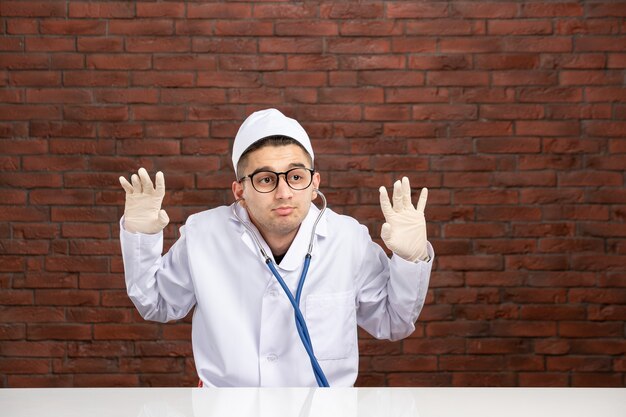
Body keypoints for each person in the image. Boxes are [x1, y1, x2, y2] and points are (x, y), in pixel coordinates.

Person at [119, 108, 434, 387]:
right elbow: (157, 304)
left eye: (296, 176)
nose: (284, 192)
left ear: (314, 185)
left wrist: (409, 259)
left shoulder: (348, 239)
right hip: (225, 409)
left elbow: (393, 322)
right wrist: (140, 236)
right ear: (239, 190)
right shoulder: (203, 235)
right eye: (266, 179)